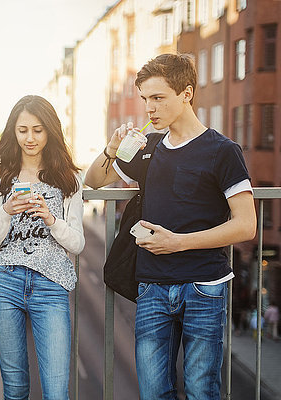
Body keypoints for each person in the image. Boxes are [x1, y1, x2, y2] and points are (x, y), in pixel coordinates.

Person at [85, 53, 257, 399]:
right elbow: (94, 180)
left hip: (204, 285)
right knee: (153, 392)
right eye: (146, 99)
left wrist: (179, 242)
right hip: (153, 285)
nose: (149, 108)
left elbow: (246, 226)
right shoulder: (147, 147)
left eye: (158, 98)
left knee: (200, 391)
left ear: (187, 94)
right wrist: (112, 148)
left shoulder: (222, 151)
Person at [0, 95, 85, 399]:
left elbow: (77, 243)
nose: (30, 138)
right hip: (6, 284)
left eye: (38, 130)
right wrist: (6, 212)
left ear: (50, 131)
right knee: (14, 390)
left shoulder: (69, 178)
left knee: (56, 391)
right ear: (13, 131)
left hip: (51, 286)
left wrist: (52, 219)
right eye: (22, 129)